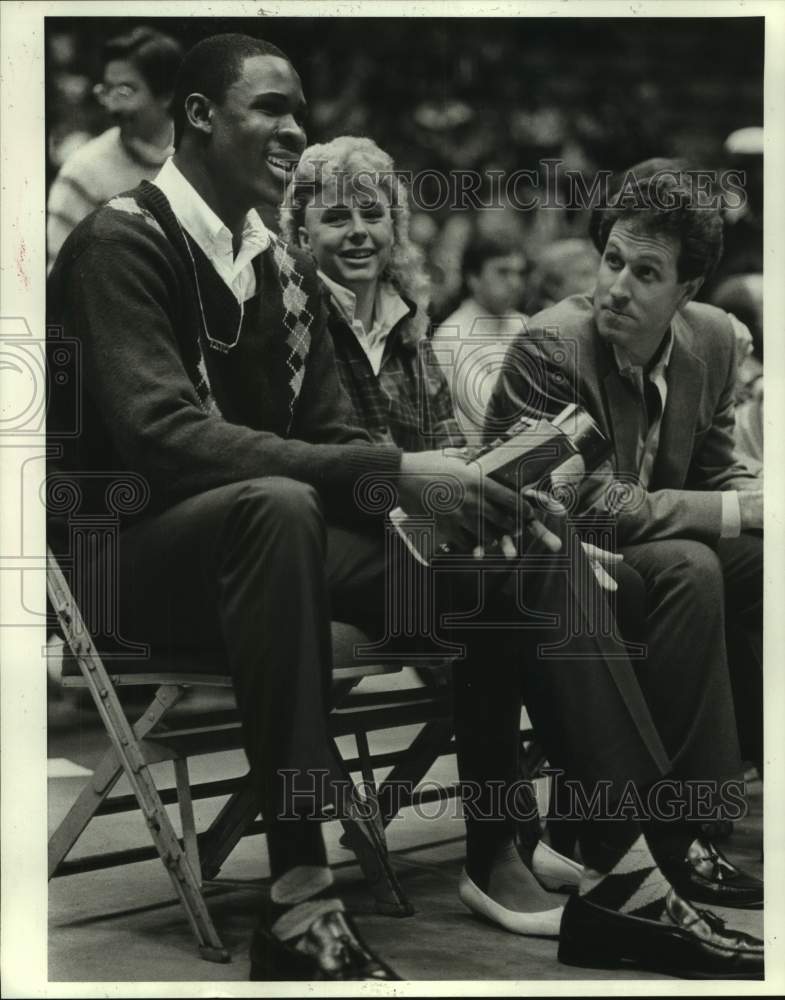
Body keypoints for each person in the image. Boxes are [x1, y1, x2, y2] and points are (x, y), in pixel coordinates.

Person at [47, 32, 575, 982]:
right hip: (119, 566)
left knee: (506, 564)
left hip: (260, 545)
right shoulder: (119, 240)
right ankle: (298, 897)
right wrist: (396, 470)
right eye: (270, 108)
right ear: (200, 116)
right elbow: (162, 437)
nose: (295, 127)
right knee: (281, 507)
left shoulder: (279, 269)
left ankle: (505, 849)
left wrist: (457, 492)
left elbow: (337, 442)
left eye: (300, 109)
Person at [279, 135, 764, 979]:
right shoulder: (294, 315)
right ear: (297, 229)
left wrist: (478, 496)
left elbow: (440, 451)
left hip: (427, 542)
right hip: (334, 546)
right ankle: (599, 858)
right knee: (540, 568)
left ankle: (612, 846)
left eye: (373, 213)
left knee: (560, 556)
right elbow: (309, 456)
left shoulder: (403, 324)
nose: (357, 232)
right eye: (333, 215)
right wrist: (434, 494)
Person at [486, 168, 764, 781]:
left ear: (686, 290)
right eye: (612, 261)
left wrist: (758, 500)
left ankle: (754, 750)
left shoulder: (714, 338)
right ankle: (691, 816)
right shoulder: (550, 346)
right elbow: (591, 504)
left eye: (645, 274)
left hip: (653, 540)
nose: (615, 288)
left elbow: (717, 470)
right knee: (692, 568)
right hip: (555, 558)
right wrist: (741, 511)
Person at [46, 26, 182, 273]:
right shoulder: (84, 172)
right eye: (107, 90)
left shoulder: (201, 159)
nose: (112, 106)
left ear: (167, 95)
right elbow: (60, 274)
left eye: (124, 92)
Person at [432, 228, 528, 439]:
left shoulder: (524, 324)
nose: (515, 283)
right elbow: (489, 416)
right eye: (503, 272)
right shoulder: (453, 336)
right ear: (473, 278)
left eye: (519, 273)